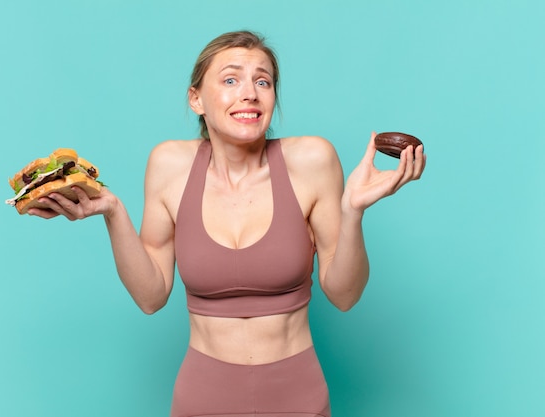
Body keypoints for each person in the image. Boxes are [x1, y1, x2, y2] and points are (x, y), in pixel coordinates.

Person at [29, 30, 426, 417]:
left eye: (263, 81)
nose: (249, 93)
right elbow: (151, 297)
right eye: (231, 79)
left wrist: (352, 211)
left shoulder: (312, 160)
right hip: (203, 394)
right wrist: (113, 211)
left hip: (297, 393)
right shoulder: (170, 165)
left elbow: (345, 295)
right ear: (196, 99)